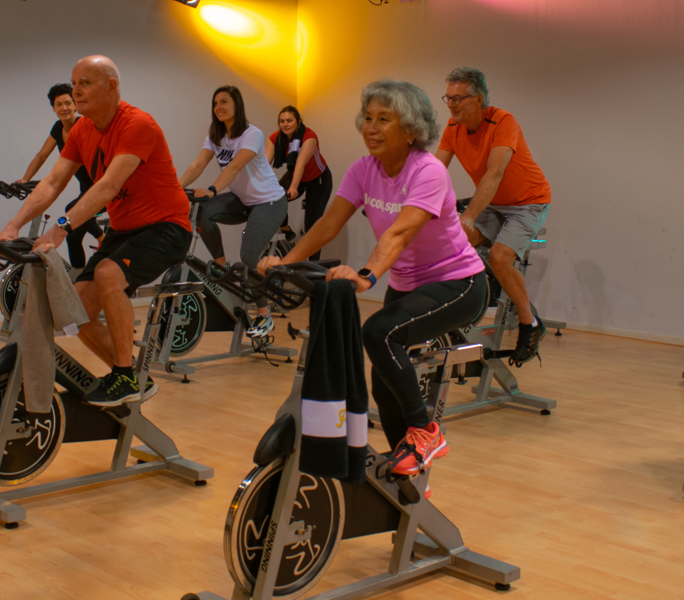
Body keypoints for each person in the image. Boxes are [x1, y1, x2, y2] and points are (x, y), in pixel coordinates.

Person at [260, 79, 487, 476]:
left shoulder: (428, 171)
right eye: (368, 118)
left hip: (458, 283)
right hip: (406, 285)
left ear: (411, 129)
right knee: (384, 384)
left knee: (379, 333)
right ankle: (408, 474)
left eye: (384, 119)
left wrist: (366, 275)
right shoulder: (363, 169)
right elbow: (329, 223)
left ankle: (426, 433)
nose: (371, 128)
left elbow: (401, 233)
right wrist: (285, 264)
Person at [0, 55, 192, 407]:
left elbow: (108, 186)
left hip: (166, 226)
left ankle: (124, 377)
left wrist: (61, 227)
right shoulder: (82, 130)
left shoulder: (137, 124)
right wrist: (13, 226)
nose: (76, 91)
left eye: (85, 83)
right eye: (74, 84)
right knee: (76, 313)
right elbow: (52, 182)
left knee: (107, 274)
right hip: (124, 229)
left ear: (111, 86)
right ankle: (132, 377)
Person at [434, 67, 552, 366]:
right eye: (448, 98)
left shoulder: (502, 121)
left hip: (529, 202)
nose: (452, 104)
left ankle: (530, 324)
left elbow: (495, 172)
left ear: (479, 99)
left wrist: (470, 215)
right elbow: (434, 171)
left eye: (459, 98)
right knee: (450, 239)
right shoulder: (453, 127)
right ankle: (467, 306)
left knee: (499, 257)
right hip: (495, 203)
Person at [178, 85, 289, 337]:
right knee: (203, 212)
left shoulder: (252, 134)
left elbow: (235, 166)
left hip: (270, 202)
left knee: (248, 255)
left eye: (224, 102)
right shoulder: (216, 135)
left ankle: (264, 316)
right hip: (242, 199)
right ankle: (222, 269)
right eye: (215, 103)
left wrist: (212, 189)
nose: (218, 107)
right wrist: (176, 188)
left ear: (236, 105)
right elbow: (198, 163)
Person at [15, 83, 104, 269]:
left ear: (75, 105)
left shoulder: (84, 125)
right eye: (59, 104)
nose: (64, 108)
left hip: (102, 190)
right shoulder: (58, 128)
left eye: (68, 103)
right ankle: (78, 280)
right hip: (86, 190)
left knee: (73, 209)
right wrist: (25, 179)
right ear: (53, 108)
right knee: (72, 237)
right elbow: (41, 155)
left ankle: (104, 239)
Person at [267, 105, 332, 260]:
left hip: (318, 179)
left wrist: (293, 187)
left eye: (289, 120)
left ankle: (313, 266)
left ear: (298, 121)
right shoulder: (275, 138)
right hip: (296, 174)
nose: (285, 124)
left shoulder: (309, 136)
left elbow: (300, 164)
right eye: (282, 121)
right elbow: (264, 166)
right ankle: (286, 229)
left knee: (312, 226)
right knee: (274, 197)